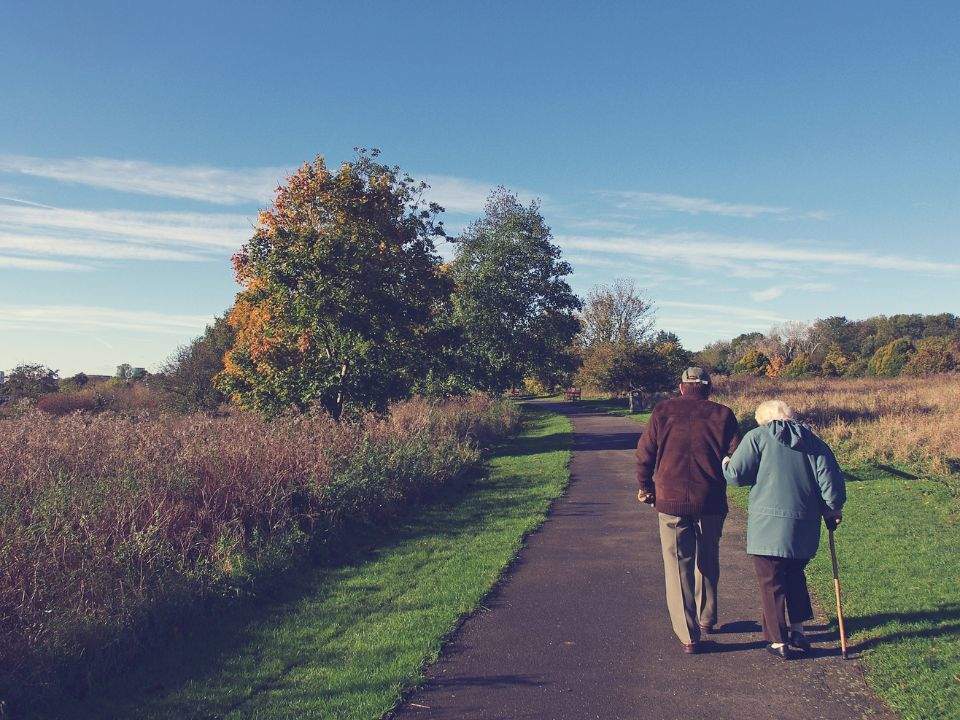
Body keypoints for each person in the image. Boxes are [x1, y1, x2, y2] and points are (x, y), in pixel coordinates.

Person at [722, 400, 845, 660]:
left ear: (764, 420)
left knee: (771, 581)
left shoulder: (757, 437)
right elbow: (830, 483)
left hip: (768, 526)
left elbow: (736, 475)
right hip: (804, 525)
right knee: (795, 574)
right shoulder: (814, 441)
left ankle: (778, 640)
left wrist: (725, 462)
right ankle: (798, 630)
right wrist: (833, 509)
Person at [636, 367, 741, 654]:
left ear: (681, 387)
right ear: (708, 388)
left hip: (670, 499)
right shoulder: (723, 414)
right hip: (710, 500)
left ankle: (689, 635)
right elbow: (737, 457)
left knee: (677, 565)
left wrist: (645, 487)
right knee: (708, 557)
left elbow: (644, 453)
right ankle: (707, 618)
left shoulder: (662, 411)